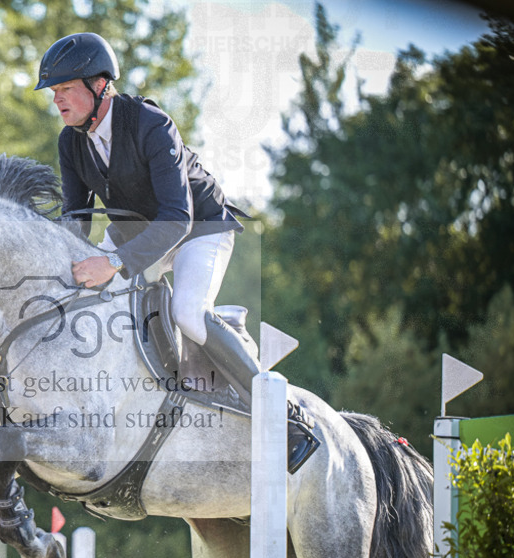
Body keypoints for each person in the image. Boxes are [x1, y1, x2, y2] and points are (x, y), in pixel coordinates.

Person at [35, 32, 318, 471]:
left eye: (65, 89)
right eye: (54, 92)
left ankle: (283, 419)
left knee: (188, 311)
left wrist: (111, 262)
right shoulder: (70, 141)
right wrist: (56, 261)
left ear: (100, 85)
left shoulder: (151, 123)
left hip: (197, 228)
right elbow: (77, 218)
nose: (58, 100)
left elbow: (176, 218)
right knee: (82, 293)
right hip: (136, 233)